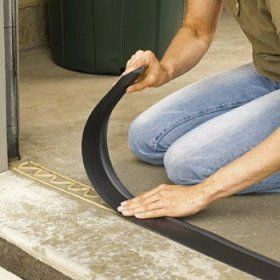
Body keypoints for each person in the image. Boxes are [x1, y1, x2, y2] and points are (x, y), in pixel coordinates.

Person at [116, 0, 280, 219]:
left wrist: (201, 193)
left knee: (186, 165)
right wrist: (165, 69)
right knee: (145, 137)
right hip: (270, 72)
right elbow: (196, 29)